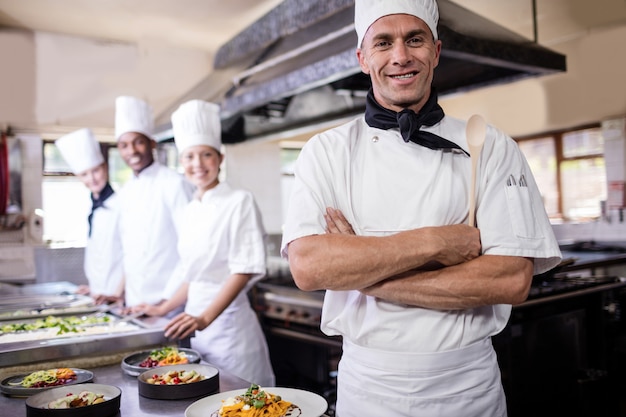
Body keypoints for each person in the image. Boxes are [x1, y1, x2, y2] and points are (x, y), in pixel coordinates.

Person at [280, 1, 562, 416]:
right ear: (362, 58)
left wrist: (365, 275)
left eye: (415, 39)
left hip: (467, 389)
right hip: (369, 389)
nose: (400, 56)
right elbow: (309, 267)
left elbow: (510, 279)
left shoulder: (491, 145)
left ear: (436, 51)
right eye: (383, 42)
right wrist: (436, 242)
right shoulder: (326, 152)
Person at [132, 99, 275, 386]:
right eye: (189, 156)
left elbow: (243, 270)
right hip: (196, 329)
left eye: (206, 155)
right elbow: (193, 275)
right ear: (181, 161)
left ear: (220, 158)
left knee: (245, 405)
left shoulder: (239, 201)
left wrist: (205, 318)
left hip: (230, 330)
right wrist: (162, 308)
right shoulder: (190, 209)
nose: (197, 164)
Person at [114, 95, 193, 309]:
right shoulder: (126, 191)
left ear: (152, 143)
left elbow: (190, 248)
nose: (132, 151)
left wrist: (165, 302)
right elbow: (130, 252)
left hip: (169, 305)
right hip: (135, 304)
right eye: (124, 145)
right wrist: (120, 293)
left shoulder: (175, 184)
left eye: (138, 142)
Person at [55, 128, 123, 301]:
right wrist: (94, 287)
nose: (91, 179)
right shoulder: (93, 207)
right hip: (99, 295)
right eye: (84, 174)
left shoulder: (122, 205)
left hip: (119, 296)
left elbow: (131, 256)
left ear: (105, 168)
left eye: (96, 171)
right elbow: (100, 255)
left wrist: (117, 293)